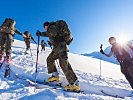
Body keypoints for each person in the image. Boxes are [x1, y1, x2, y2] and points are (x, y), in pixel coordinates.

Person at [36, 21, 80, 91]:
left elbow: (53, 33)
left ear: (46, 26)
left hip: (61, 47)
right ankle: (55, 76)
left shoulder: (51, 27)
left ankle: (74, 84)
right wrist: (51, 42)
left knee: (64, 64)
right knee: (49, 59)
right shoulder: (52, 28)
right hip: (57, 49)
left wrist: (41, 34)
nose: (45, 29)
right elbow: (55, 36)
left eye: (44, 28)